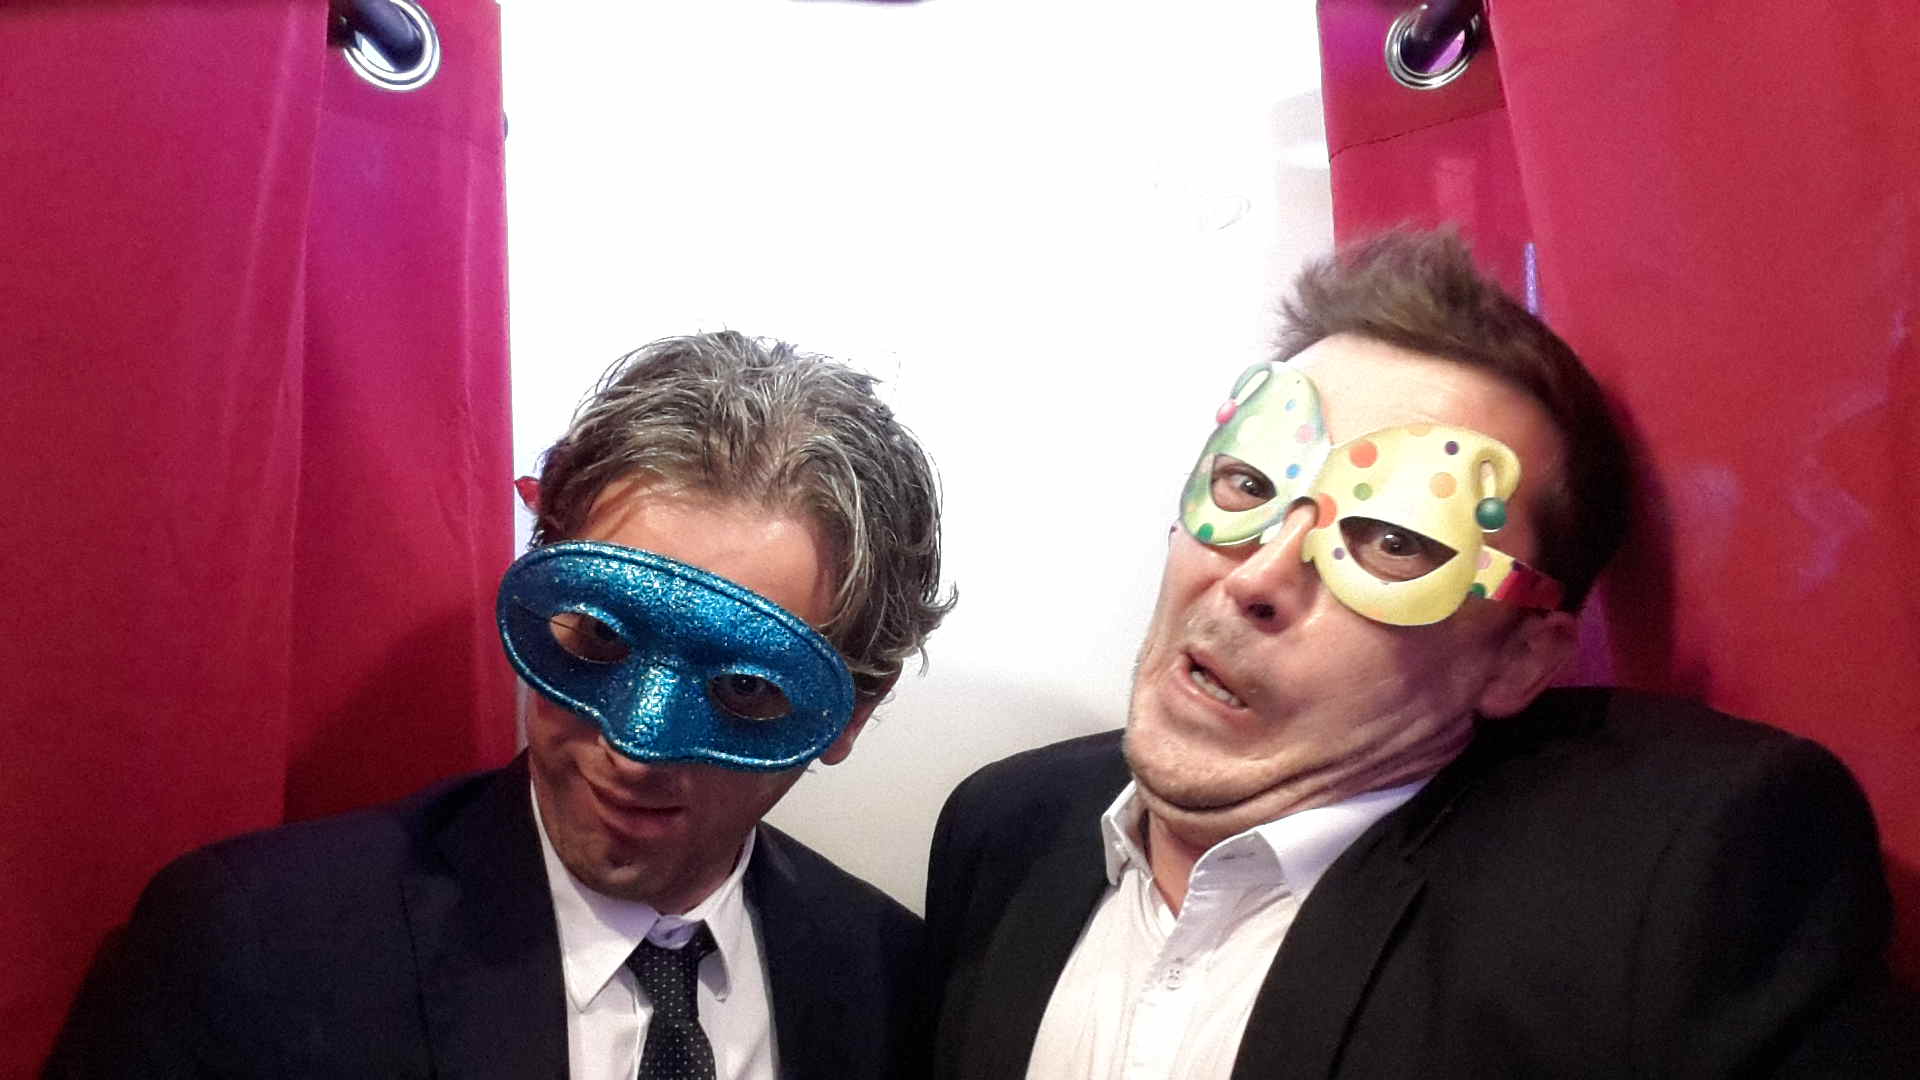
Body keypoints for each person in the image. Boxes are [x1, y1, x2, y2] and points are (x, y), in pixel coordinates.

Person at [923, 230, 1906, 1078]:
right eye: (1248, 484)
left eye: (1396, 540)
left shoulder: (1680, 884)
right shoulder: (1004, 831)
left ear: (1520, 659)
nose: (1257, 576)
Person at [48, 331, 952, 1079]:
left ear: (850, 715)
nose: (637, 746)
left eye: (744, 687)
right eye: (599, 638)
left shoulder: (898, 988)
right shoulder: (255, 947)